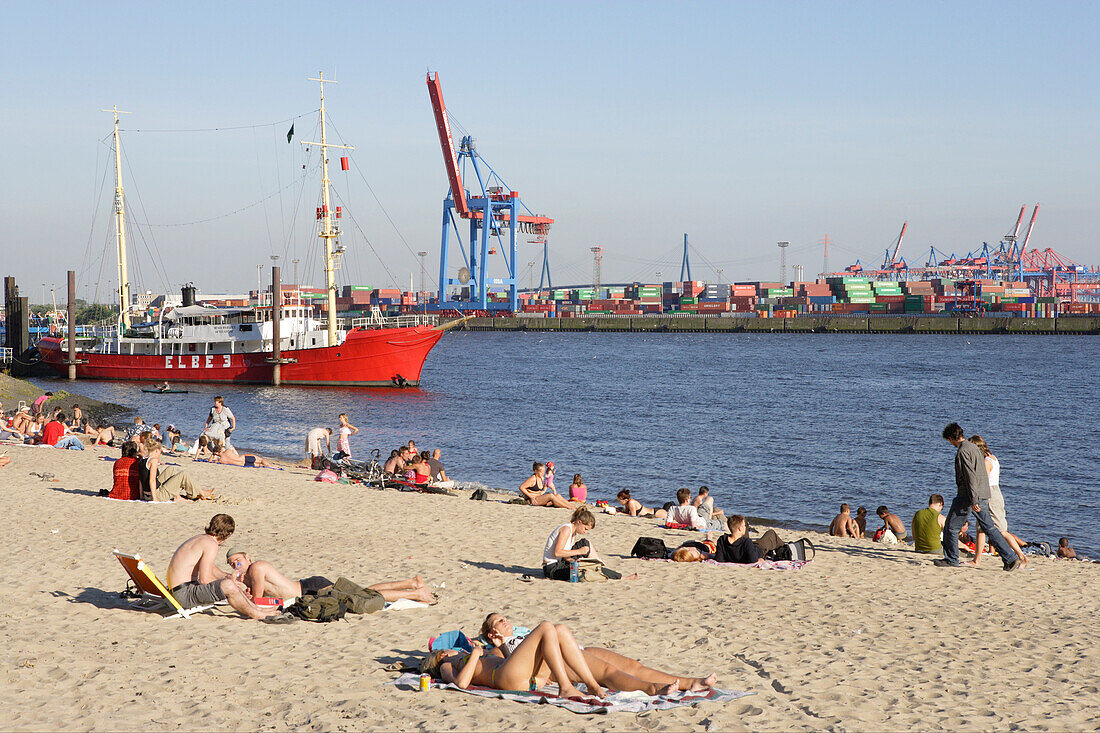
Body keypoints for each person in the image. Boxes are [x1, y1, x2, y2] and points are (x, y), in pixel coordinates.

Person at [479, 614, 716, 694]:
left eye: (505, 617)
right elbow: (503, 673)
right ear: (491, 633)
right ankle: (652, 689)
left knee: (633, 665)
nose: (506, 621)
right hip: (558, 663)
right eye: (499, 621)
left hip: (573, 649)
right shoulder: (499, 650)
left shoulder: (522, 634)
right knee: (608, 672)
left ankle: (691, 683)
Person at [421, 621, 606, 700]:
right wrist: (476, 654)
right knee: (545, 627)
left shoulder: (473, 654)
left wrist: (499, 646)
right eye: (446, 650)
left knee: (560, 630)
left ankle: (591, 684)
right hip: (503, 678)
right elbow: (461, 683)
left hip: (525, 677)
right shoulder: (447, 665)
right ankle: (565, 687)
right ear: (442, 654)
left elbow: (514, 661)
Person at [935, 423, 1022, 571]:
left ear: (951, 438)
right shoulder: (974, 447)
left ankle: (951, 559)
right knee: (990, 528)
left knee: (951, 526)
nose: (949, 443)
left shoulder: (963, 451)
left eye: (948, 440)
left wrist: (973, 499)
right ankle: (1010, 557)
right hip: (982, 493)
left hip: (968, 496)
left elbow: (970, 476)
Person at [164, 514, 277, 619]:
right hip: (184, 595)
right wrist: (231, 584)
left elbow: (211, 568)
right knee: (228, 586)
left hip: (177, 591)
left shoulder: (200, 539)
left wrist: (229, 576)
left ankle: (257, 608)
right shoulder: (211, 544)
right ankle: (256, 613)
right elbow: (205, 579)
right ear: (228, 534)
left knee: (228, 583)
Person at [223, 548, 434, 603]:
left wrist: (243, 591)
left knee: (364, 596)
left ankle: (416, 593)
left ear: (247, 557)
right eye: (233, 564)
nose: (237, 565)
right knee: (364, 592)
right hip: (309, 588)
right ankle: (412, 583)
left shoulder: (257, 568)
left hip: (311, 588)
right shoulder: (251, 573)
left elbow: (260, 600)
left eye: (238, 561)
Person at [966, 435, 1027, 568]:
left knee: (1001, 530)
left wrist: (976, 498)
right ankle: (977, 560)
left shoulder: (987, 462)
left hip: (990, 495)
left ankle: (1021, 556)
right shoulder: (993, 458)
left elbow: (984, 483)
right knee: (980, 528)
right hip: (993, 493)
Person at [543, 507, 608, 580]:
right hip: (552, 568)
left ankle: (598, 565)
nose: (585, 532)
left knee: (585, 543)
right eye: (585, 529)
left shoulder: (573, 532)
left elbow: (564, 553)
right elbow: (557, 553)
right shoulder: (567, 529)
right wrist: (579, 551)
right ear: (579, 522)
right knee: (586, 569)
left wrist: (571, 560)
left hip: (560, 562)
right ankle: (605, 571)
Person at [141, 437, 209, 501]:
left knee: (171, 469)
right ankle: (201, 493)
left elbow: (140, 480)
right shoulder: (153, 460)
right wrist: (155, 499)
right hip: (157, 494)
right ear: (156, 450)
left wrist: (142, 496)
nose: (160, 455)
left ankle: (177, 496)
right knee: (184, 474)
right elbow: (152, 480)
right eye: (160, 452)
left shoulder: (142, 460)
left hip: (146, 495)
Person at [714, 515, 785, 564]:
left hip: (746, 547)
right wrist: (761, 559)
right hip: (759, 549)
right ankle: (785, 550)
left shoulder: (722, 540)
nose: (745, 527)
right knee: (771, 533)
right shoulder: (746, 542)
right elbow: (753, 560)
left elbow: (719, 559)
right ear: (740, 529)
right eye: (744, 526)